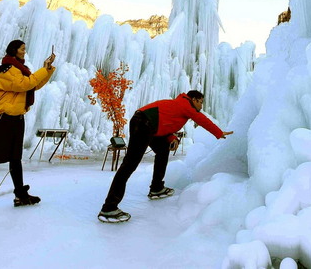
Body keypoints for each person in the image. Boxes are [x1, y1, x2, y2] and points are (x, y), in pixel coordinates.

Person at [98, 89, 233, 223]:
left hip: (147, 124)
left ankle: (156, 188)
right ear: (194, 100)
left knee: (163, 150)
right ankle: (109, 208)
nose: (201, 106)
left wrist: (171, 137)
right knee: (129, 164)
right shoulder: (185, 105)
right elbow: (200, 119)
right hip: (143, 123)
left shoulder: (178, 105)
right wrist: (219, 132)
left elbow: (164, 122)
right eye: (201, 102)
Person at [0, 39, 56, 215]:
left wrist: (48, 68)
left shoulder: (20, 70)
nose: (24, 51)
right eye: (22, 49)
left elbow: (33, 85)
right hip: (3, 119)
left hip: (16, 119)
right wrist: (43, 70)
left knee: (15, 158)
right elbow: (25, 84)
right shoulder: (5, 71)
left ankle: (21, 195)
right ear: (14, 50)